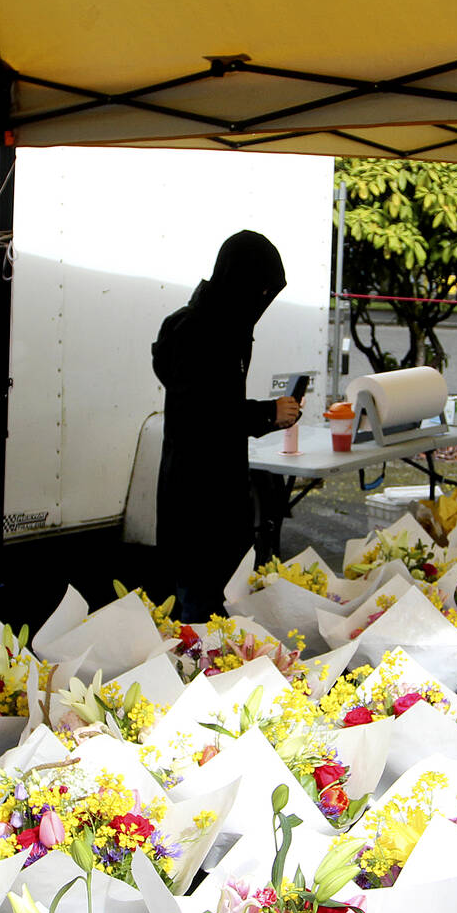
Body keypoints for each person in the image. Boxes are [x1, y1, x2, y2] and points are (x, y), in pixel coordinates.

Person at [150, 230, 300, 621]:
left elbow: (212, 407)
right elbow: (203, 412)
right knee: (201, 616)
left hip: (213, 499)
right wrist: (268, 414)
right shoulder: (199, 332)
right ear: (243, 282)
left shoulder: (219, 325)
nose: (264, 301)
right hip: (198, 504)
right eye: (262, 290)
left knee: (215, 610)